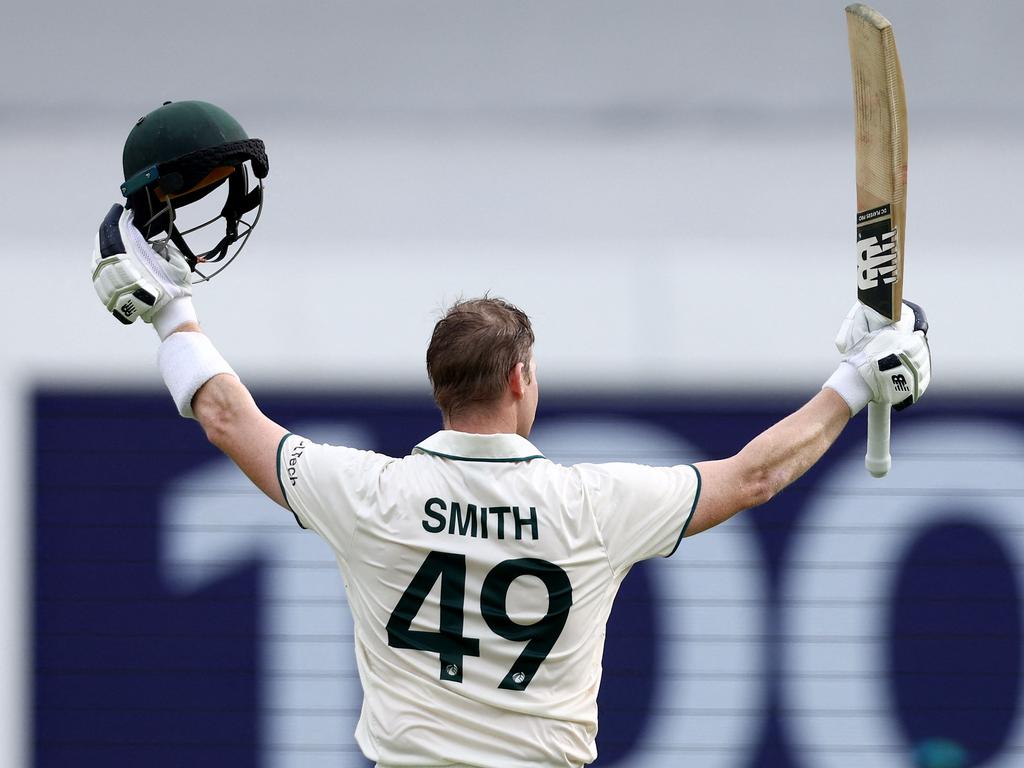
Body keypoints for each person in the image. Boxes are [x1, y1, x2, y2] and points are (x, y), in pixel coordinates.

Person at [91, 102, 931, 768]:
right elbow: (754, 476)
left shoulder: (366, 494)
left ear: (439, 388)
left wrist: (169, 308)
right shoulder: (592, 508)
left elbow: (225, 415)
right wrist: (856, 380)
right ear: (521, 380)